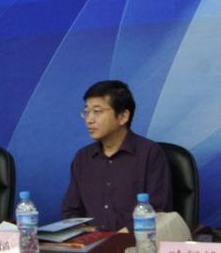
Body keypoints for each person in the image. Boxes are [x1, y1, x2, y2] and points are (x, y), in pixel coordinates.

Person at [61, 80, 172, 231]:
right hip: (91, 242)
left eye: (97, 111)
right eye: (86, 112)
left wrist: (119, 238)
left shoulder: (150, 154)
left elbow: (158, 212)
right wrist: (88, 234)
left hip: (136, 241)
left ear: (123, 116)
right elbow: (70, 211)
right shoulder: (83, 157)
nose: (89, 120)